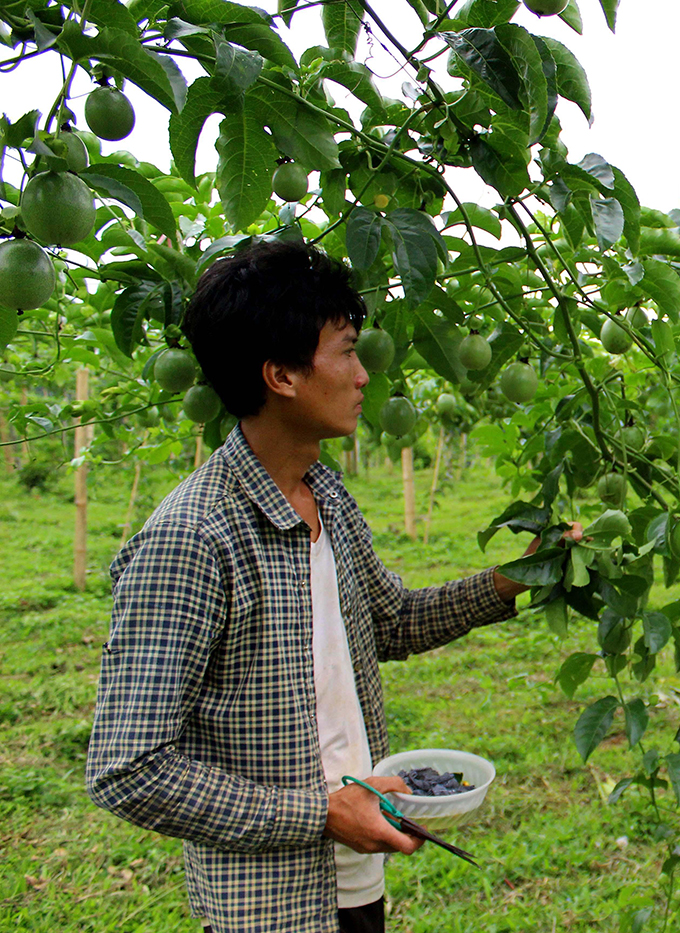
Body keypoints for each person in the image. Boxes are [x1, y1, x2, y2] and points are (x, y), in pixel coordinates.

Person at [85, 240, 576, 933]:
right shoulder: (193, 538)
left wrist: (512, 580)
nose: (363, 373)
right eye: (346, 351)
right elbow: (127, 766)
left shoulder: (326, 495)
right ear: (281, 374)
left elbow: (391, 621)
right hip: (270, 907)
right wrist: (318, 812)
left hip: (354, 876)